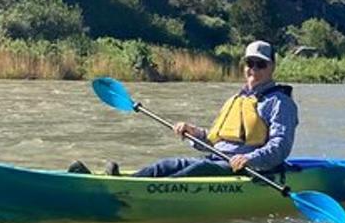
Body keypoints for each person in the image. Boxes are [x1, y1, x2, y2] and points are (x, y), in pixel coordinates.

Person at [74, 40, 298, 178]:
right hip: (216, 160)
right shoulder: (237, 99)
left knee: (194, 172)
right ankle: (117, 182)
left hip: (247, 169)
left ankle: (127, 193)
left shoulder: (280, 102)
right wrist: (194, 133)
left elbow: (281, 147)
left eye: (261, 64)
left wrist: (250, 159)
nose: (254, 69)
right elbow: (214, 140)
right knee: (166, 165)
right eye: (250, 63)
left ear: (272, 67)